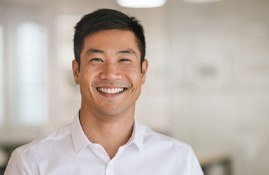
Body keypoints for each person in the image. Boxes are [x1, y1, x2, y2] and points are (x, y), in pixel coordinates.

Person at [4, 9, 204, 175]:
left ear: (143, 72)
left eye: (124, 59)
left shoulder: (180, 161)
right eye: (97, 60)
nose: (110, 74)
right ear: (76, 71)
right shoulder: (31, 163)